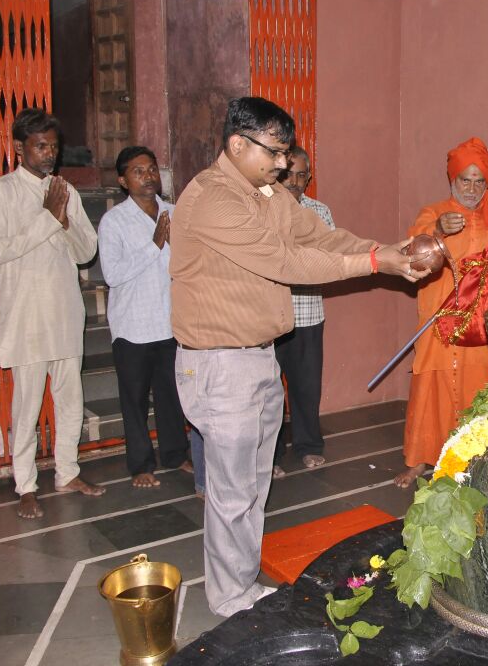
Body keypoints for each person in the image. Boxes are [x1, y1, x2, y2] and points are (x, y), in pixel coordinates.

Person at [170, 96, 429, 617]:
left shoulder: (264, 190)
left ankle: (239, 580)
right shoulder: (212, 198)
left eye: (287, 153)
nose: (285, 164)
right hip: (221, 364)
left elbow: (318, 234)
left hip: (258, 358)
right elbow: (286, 260)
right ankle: (229, 596)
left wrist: (387, 249)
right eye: (276, 152)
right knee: (233, 490)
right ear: (237, 144)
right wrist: (376, 262)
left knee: (253, 485)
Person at [0, 108, 106, 519]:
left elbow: (86, 251)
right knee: (27, 405)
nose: (48, 153)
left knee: (71, 398)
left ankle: (67, 471)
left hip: (63, 311)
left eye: (53, 146)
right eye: (40, 146)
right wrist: (47, 217)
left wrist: (63, 217)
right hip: (25, 316)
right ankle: (25, 484)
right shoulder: (2, 191)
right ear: (20, 148)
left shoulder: (64, 190)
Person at [395, 137, 488, 488]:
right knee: (431, 386)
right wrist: (436, 232)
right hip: (439, 320)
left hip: (479, 326)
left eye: (480, 181)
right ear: (452, 181)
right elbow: (411, 252)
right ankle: (420, 460)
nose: (472, 188)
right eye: (466, 180)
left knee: (482, 386)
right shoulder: (433, 213)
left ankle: (479, 456)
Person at [98, 146, 193, 489]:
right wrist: (153, 244)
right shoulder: (114, 221)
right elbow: (113, 274)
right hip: (132, 327)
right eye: (138, 172)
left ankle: (175, 454)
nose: (148, 176)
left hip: (169, 321)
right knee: (134, 400)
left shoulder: (174, 211)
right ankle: (140, 464)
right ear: (123, 181)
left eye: (152, 169)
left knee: (172, 394)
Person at [271, 147, 330, 479]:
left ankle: (308, 447)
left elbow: (327, 260)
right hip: (271, 317)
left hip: (308, 316)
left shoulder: (320, 211)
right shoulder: (265, 210)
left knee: (306, 387)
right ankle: (273, 454)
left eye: (301, 175)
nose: (294, 181)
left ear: (309, 177)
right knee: (269, 392)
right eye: (288, 174)